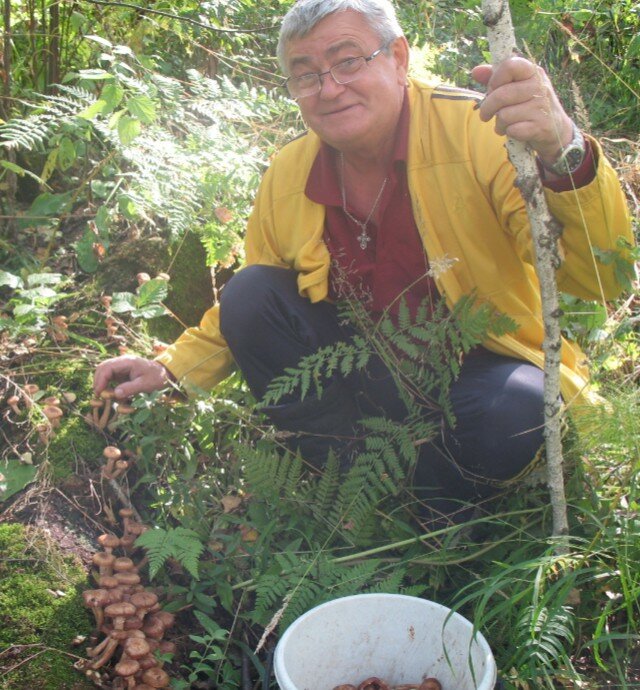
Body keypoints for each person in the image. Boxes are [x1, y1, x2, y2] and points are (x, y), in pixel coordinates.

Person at [94, 0, 632, 523]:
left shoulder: (479, 132)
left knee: (512, 411)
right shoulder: (289, 172)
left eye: (348, 61)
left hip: (478, 373)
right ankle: (343, 484)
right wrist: (170, 368)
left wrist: (564, 149)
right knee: (250, 292)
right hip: (364, 378)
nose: (329, 88)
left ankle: (431, 515)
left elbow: (599, 276)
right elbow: (252, 303)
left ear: (398, 57)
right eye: (306, 75)